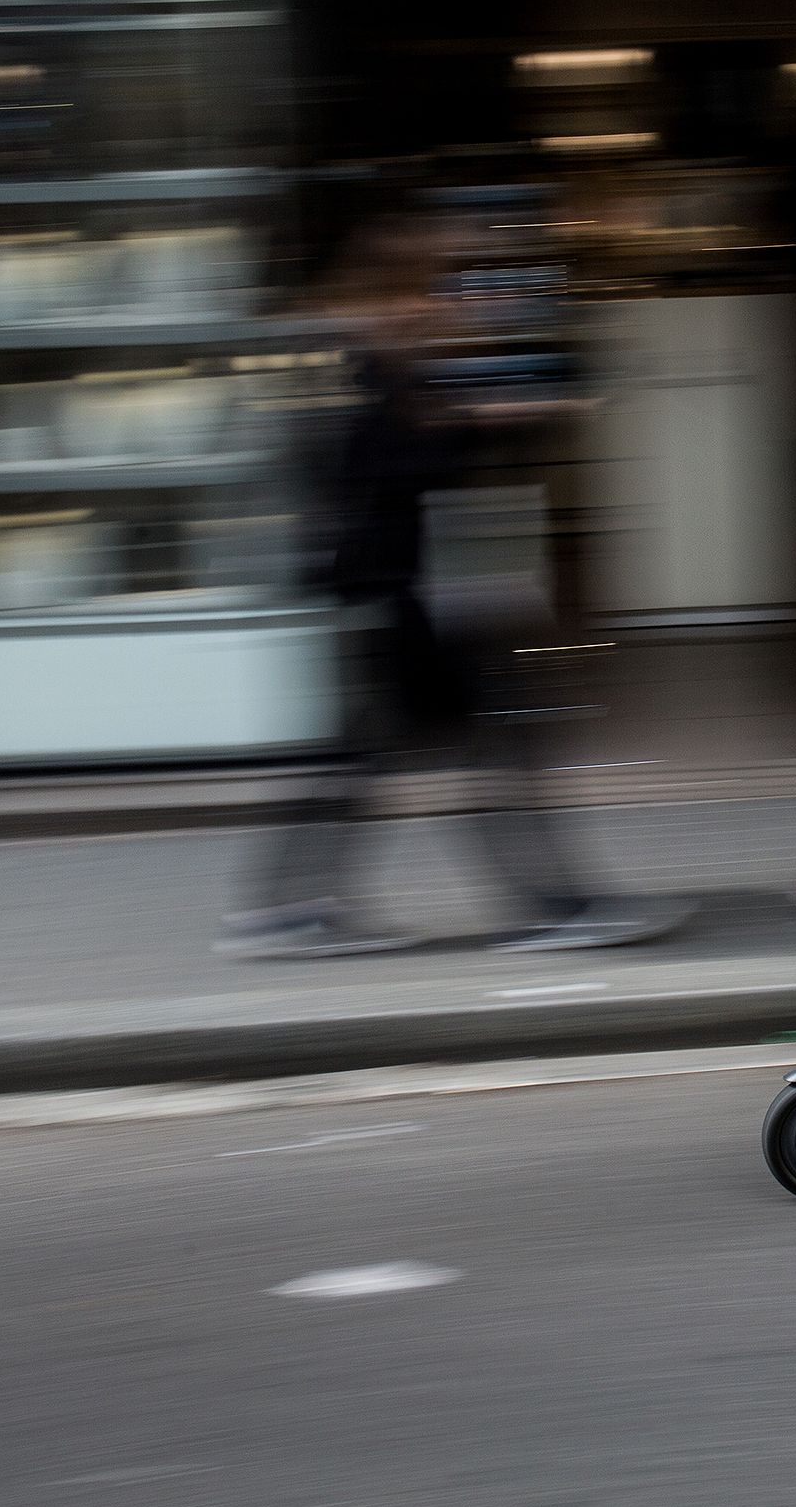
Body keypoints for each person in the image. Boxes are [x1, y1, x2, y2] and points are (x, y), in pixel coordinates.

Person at [218, 217, 669, 961]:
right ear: (391, 293)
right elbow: (386, 464)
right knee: (479, 751)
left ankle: (289, 906)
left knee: (391, 760)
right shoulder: (353, 364)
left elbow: (418, 444)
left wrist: (496, 421)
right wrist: (493, 422)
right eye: (432, 289)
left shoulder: (382, 365)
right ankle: (551, 906)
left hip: (401, 594)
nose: (444, 307)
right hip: (395, 596)